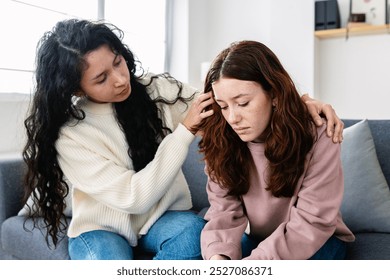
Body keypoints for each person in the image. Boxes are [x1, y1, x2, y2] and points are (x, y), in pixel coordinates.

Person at [22, 19, 344, 260]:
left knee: (196, 238)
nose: (121, 80)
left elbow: (225, 99)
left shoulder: (157, 90)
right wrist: (185, 132)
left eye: (118, 61)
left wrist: (300, 103)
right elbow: (134, 197)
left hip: (164, 220)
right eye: (101, 78)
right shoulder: (70, 134)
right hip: (102, 227)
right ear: (77, 88)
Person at [198, 40, 355, 260]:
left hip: (318, 240)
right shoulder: (222, 140)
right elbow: (223, 212)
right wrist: (218, 259)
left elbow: (312, 223)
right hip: (261, 240)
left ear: (274, 95)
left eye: (243, 103)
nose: (233, 118)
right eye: (223, 106)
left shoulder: (320, 134)